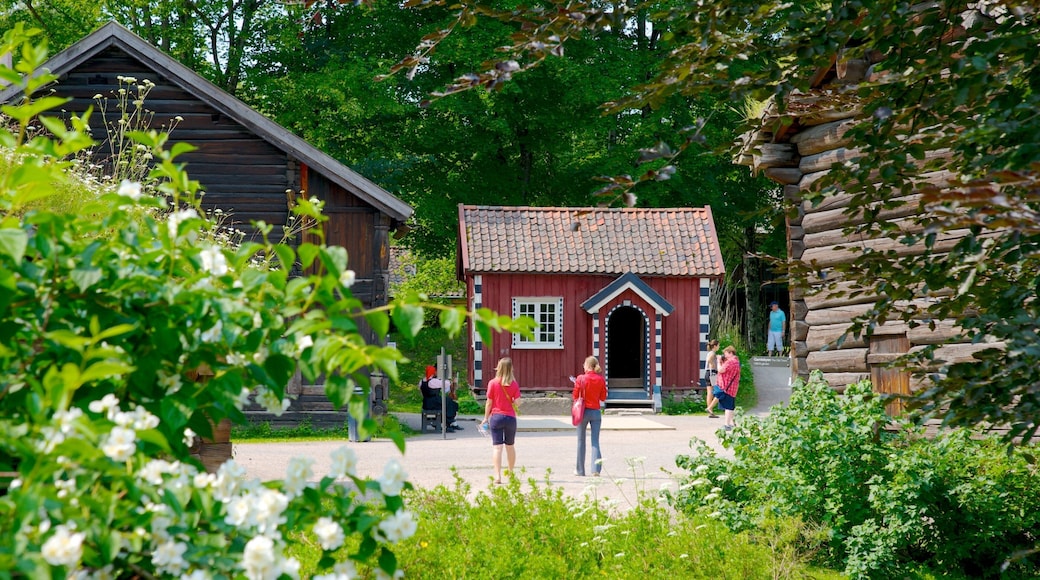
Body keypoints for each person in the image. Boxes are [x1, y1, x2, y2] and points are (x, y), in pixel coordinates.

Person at [480, 358, 520, 484]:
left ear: (499, 367)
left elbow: (489, 402)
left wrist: (486, 418)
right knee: (510, 446)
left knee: (497, 448)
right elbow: (518, 403)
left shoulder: (493, 383)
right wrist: (512, 400)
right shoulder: (514, 384)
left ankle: (497, 476)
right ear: (511, 368)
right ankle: (511, 474)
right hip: (510, 418)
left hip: (496, 417)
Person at [572, 356, 608, 477]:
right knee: (595, 442)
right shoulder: (601, 379)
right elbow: (603, 397)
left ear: (587, 366)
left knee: (581, 441)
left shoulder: (580, 378)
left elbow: (575, 396)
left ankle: (580, 470)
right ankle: (595, 469)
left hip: (582, 412)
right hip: (596, 412)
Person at [420, 365, 461, 432]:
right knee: (450, 402)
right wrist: (444, 378)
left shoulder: (422, 381)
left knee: (447, 402)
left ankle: (448, 422)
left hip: (426, 402)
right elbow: (446, 384)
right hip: (434, 402)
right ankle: (449, 422)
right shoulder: (433, 381)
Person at [716, 345, 741, 430]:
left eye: (726, 353)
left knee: (728, 407)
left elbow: (721, 370)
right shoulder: (736, 361)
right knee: (731, 406)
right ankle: (732, 423)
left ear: (730, 353)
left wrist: (719, 362)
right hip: (733, 387)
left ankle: (726, 424)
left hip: (727, 387)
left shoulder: (730, 362)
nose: (725, 355)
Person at [704, 340, 720, 418]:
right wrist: (712, 364)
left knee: (709, 391)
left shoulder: (709, 353)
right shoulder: (712, 353)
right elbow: (709, 360)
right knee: (714, 391)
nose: (719, 347)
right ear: (715, 346)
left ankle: (710, 410)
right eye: (718, 345)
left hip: (707, 373)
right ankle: (710, 408)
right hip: (712, 373)